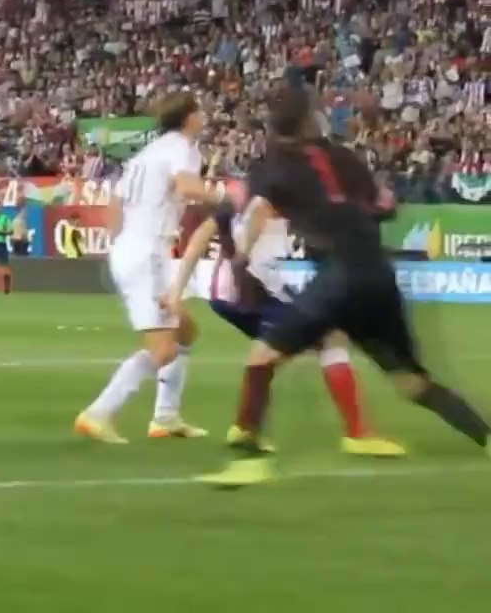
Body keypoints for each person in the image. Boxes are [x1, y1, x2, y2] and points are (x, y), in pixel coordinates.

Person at [196, 85, 491, 488]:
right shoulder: (343, 157)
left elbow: (255, 208)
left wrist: (240, 255)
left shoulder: (271, 167)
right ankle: (484, 435)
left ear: (273, 127)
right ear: (309, 120)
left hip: (338, 274)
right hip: (377, 272)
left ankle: (248, 460)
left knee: (261, 360)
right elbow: (386, 206)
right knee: (411, 382)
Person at [168, 188, 406, 458]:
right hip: (251, 287)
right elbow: (262, 209)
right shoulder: (279, 188)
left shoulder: (246, 195)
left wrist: (177, 290)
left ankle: (245, 428)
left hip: (225, 293)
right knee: (330, 337)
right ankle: (357, 433)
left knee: (271, 351)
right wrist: (243, 257)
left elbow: (201, 236)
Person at [74, 92, 217, 444]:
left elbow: (116, 203)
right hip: (148, 253)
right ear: (188, 118)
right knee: (163, 348)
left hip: (135, 249)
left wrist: (118, 246)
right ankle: (98, 413)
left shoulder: (147, 153)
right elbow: (188, 186)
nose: (204, 116)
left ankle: (165, 417)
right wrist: (226, 199)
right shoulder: (181, 147)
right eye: (199, 111)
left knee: (185, 331)